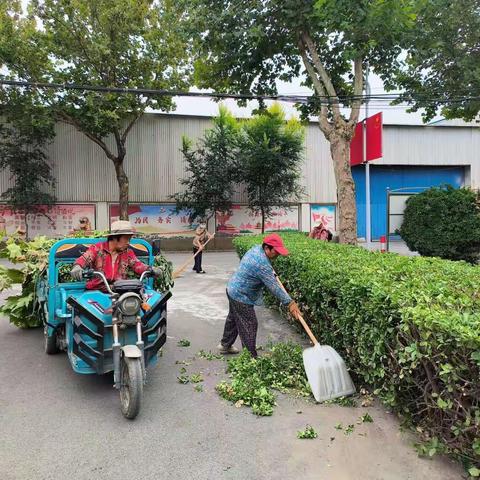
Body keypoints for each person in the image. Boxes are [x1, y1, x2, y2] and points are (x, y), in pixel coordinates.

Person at [218, 233, 301, 358]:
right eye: (276, 251)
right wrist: (289, 302)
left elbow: (267, 272)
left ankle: (225, 345)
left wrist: (270, 271)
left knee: (234, 318)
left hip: (232, 288)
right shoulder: (261, 263)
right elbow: (274, 287)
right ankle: (250, 357)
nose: (277, 254)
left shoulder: (256, 249)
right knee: (250, 323)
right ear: (267, 248)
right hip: (241, 295)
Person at [70, 220, 162, 290]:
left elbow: (137, 265)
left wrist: (150, 269)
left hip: (120, 289)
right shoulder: (97, 248)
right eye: (126, 239)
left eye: (129, 239)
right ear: (114, 237)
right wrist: (77, 266)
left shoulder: (128, 252)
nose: (128, 242)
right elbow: (85, 258)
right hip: (97, 290)